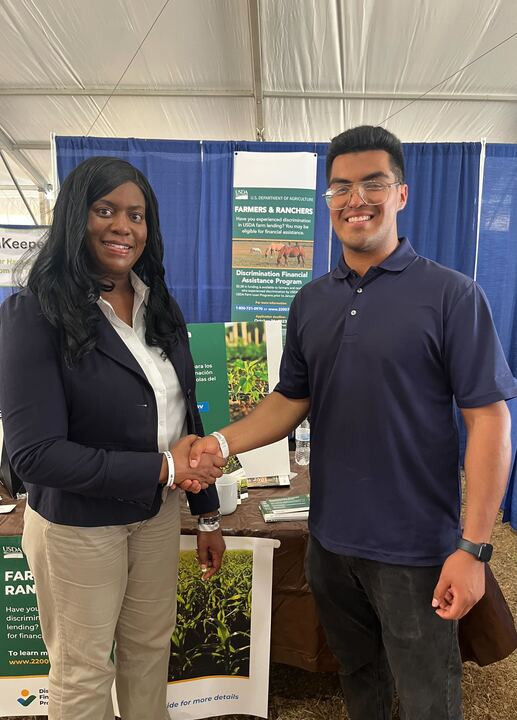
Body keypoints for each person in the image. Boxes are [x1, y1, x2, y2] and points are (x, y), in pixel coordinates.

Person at [189, 126, 517, 720]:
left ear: (402, 195)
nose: (354, 198)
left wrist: (474, 546)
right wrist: (217, 443)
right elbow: (289, 400)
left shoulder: (452, 296)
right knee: (359, 676)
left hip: (415, 548)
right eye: (339, 187)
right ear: (328, 200)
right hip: (331, 543)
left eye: (373, 182)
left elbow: (490, 421)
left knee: (426, 693)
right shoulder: (312, 301)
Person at [0, 156, 226, 720]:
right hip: (78, 525)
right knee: (83, 670)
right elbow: (35, 456)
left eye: (137, 214)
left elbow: (182, 419)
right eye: (106, 210)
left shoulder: (160, 305)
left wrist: (208, 514)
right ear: (76, 217)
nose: (123, 226)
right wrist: (162, 470)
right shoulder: (35, 314)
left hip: (153, 517)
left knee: (150, 652)